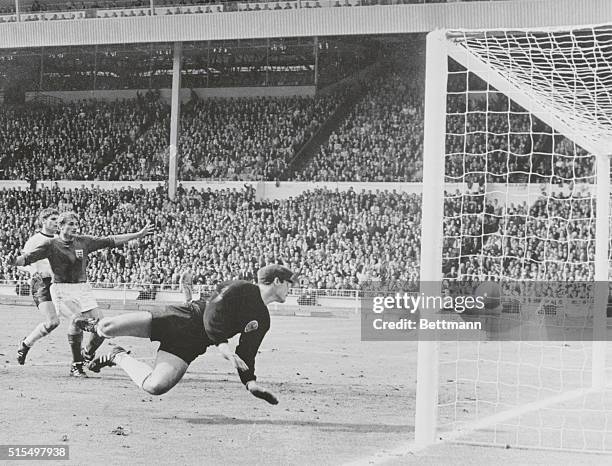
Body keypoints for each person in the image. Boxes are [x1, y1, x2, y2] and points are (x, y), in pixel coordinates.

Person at [75, 265, 297, 404]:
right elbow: (212, 311)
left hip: (192, 344)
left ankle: (117, 355)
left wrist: (250, 382)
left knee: (155, 386)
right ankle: (92, 326)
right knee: (107, 328)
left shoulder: (263, 319)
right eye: (289, 283)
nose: (291, 288)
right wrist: (220, 343)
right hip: (181, 318)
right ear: (276, 281)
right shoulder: (242, 288)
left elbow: (247, 352)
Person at [12, 211, 154, 377]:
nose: (74, 227)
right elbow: (27, 258)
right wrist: (14, 261)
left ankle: (87, 354)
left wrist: (138, 234)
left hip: (83, 289)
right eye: (71, 224)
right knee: (75, 319)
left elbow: (111, 240)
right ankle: (76, 365)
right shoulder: (49, 244)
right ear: (61, 225)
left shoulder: (83, 241)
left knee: (102, 328)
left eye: (76, 223)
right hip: (59, 288)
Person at [16, 208, 61, 365]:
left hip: (60, 283)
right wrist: (35, 272)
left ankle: (82, 357)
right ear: (44, 221)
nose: (57, 222)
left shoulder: (59, 239)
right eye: (53, 219)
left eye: (58, 220)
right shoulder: (34, 241)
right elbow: (20, 264)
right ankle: (26, 344)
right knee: (52, 322)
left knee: (79, 317)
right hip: (41, 283)